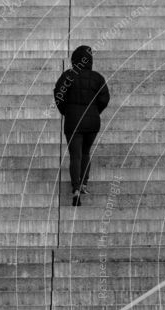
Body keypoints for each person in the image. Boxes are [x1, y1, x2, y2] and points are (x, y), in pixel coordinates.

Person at [53, 45, 110, 206]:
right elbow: (104, 98)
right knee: (85, 152)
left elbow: (59, 94)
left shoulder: (68, 76)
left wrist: (66, 110)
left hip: (73, 120)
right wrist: (95, 111)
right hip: (92, 121)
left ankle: (76, 189)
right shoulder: (97, 78)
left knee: (75, 155)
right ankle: (84, 183)